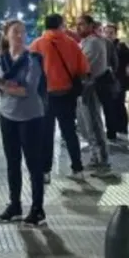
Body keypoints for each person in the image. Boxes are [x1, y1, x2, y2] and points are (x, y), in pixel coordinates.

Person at [0, 20, 47, 226]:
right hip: (7, 116)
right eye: (15, 32)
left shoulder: (33, 59)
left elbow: (27, 90)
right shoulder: (0, 60)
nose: (20, 36)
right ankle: (15, 205)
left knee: (34, 164)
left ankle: (37, 208)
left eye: (23, 32)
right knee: (12, 162)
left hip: (31, 117)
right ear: (6, 35)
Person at [29, 13, 88, 182]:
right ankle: (77, 169)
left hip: (45, 96)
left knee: (46, 134)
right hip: (67, 94)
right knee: (69, 132)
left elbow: (30, 71)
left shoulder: (37, 45)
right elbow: (83, 68)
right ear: (61, 25)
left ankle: (45, 172)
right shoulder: (72, 44)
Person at [75, 15, 112, 173]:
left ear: (91, 25)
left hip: (91, 87)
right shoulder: (86, 41)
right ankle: (95, 156)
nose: (78, 27)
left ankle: (101, 158)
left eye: (82, 24)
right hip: (85, 88)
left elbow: (84, 64)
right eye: (77, 24)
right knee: (87, 124)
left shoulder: (94, 42)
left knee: (93, 123)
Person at [105, 23, 129, 137]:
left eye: (111, 33)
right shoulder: (103, 45)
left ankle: (122, 127)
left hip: (119, 80)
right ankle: (112, 128)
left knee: (119, 104)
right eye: (106, 32)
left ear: (115, 34)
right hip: (107, 80)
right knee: (109, 105)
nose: (108, 35)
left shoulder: (121, 46)